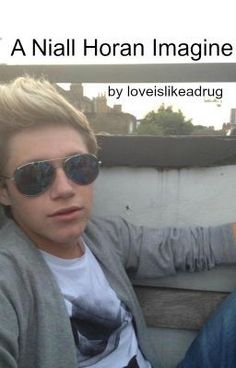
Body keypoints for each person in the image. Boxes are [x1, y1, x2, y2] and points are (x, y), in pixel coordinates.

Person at [0, 77, 236, 368]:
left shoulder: (102, 238)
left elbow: (181, 247)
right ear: (4, 191)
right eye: (35, 174)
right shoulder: (8, 277)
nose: (65, 189)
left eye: (79, 166)